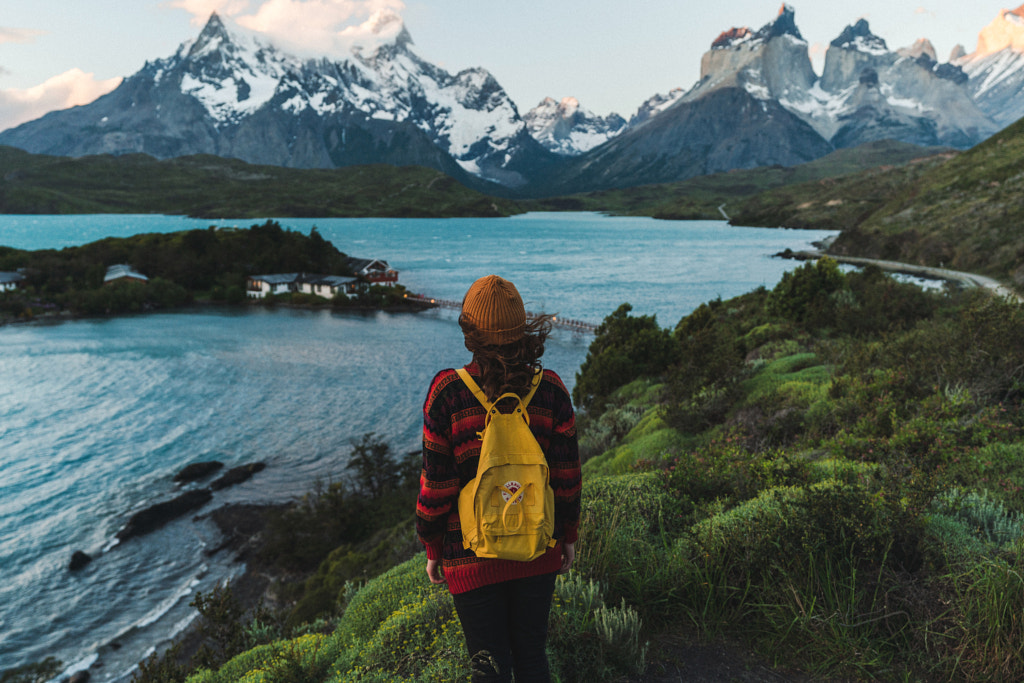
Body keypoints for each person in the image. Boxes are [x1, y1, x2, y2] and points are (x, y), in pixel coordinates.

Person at [415, 274, 582, 683]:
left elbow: (436, 486)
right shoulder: (553, 391)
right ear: (521, 329)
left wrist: (433, 546)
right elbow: (567, 479)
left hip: (468, 554)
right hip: (537, 548)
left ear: (470, 331)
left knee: (487, 668)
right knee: (531, 662)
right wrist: (568, 536)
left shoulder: (448, 392)